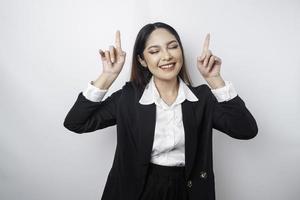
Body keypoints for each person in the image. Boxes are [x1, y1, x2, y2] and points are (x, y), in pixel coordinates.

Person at [63, 22, 258, 200]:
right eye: (154, 51)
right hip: (137, 191)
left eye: (173, 47)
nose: (167, 56)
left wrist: (215, 79)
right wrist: (108, 75)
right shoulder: (129, 97)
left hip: (187, 191)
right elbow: (76, 122)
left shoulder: (202, 98)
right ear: (142, 60)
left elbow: (246, 130)